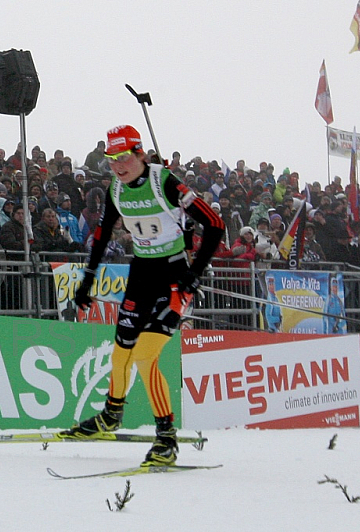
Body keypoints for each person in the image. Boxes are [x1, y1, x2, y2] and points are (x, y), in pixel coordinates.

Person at [62, 125, 224, 468]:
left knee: (146, 356)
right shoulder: (116, 189)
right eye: (112, 160)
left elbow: (215, 225)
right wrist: (87, 281)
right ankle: (110, 415)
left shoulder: (163, 181)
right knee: (121, 350)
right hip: (140, 275)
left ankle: (166, 438)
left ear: (139, 153)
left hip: (173, 278)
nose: (118, 166)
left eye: (124, 158)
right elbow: (103, 233)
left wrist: (195, 273)